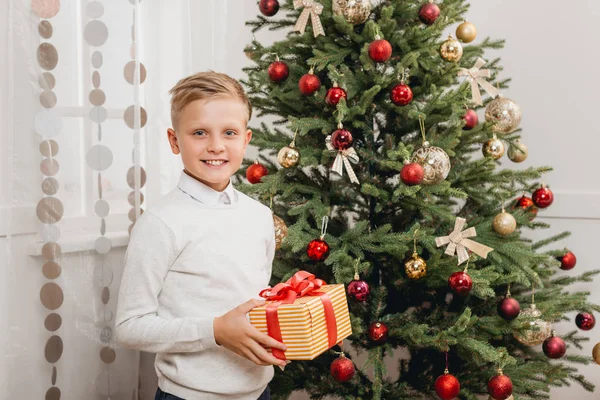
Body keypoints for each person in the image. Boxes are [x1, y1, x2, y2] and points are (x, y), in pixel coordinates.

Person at [115, 71, 287, 400]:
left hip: (258, 392)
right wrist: (215, 331)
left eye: (229, 133)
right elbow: (130, 326)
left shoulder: (260, 217)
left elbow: (255, 304)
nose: (216, 146)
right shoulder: (160, 223)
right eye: (199, 132)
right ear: (174, 140)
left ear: (246, 139)